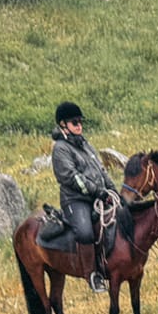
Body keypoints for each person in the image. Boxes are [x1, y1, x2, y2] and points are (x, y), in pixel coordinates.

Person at [49, 101, 116, 266]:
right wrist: (97, 191)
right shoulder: (60, 149)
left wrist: (113, 191)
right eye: (75, 122)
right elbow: (72, 177)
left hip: (96, 196)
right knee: (86, 233)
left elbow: (101, 170)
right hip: (75, 200)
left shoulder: (86, 145)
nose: (79, 126)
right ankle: (91, 273)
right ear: (63, 125)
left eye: (80, 122)